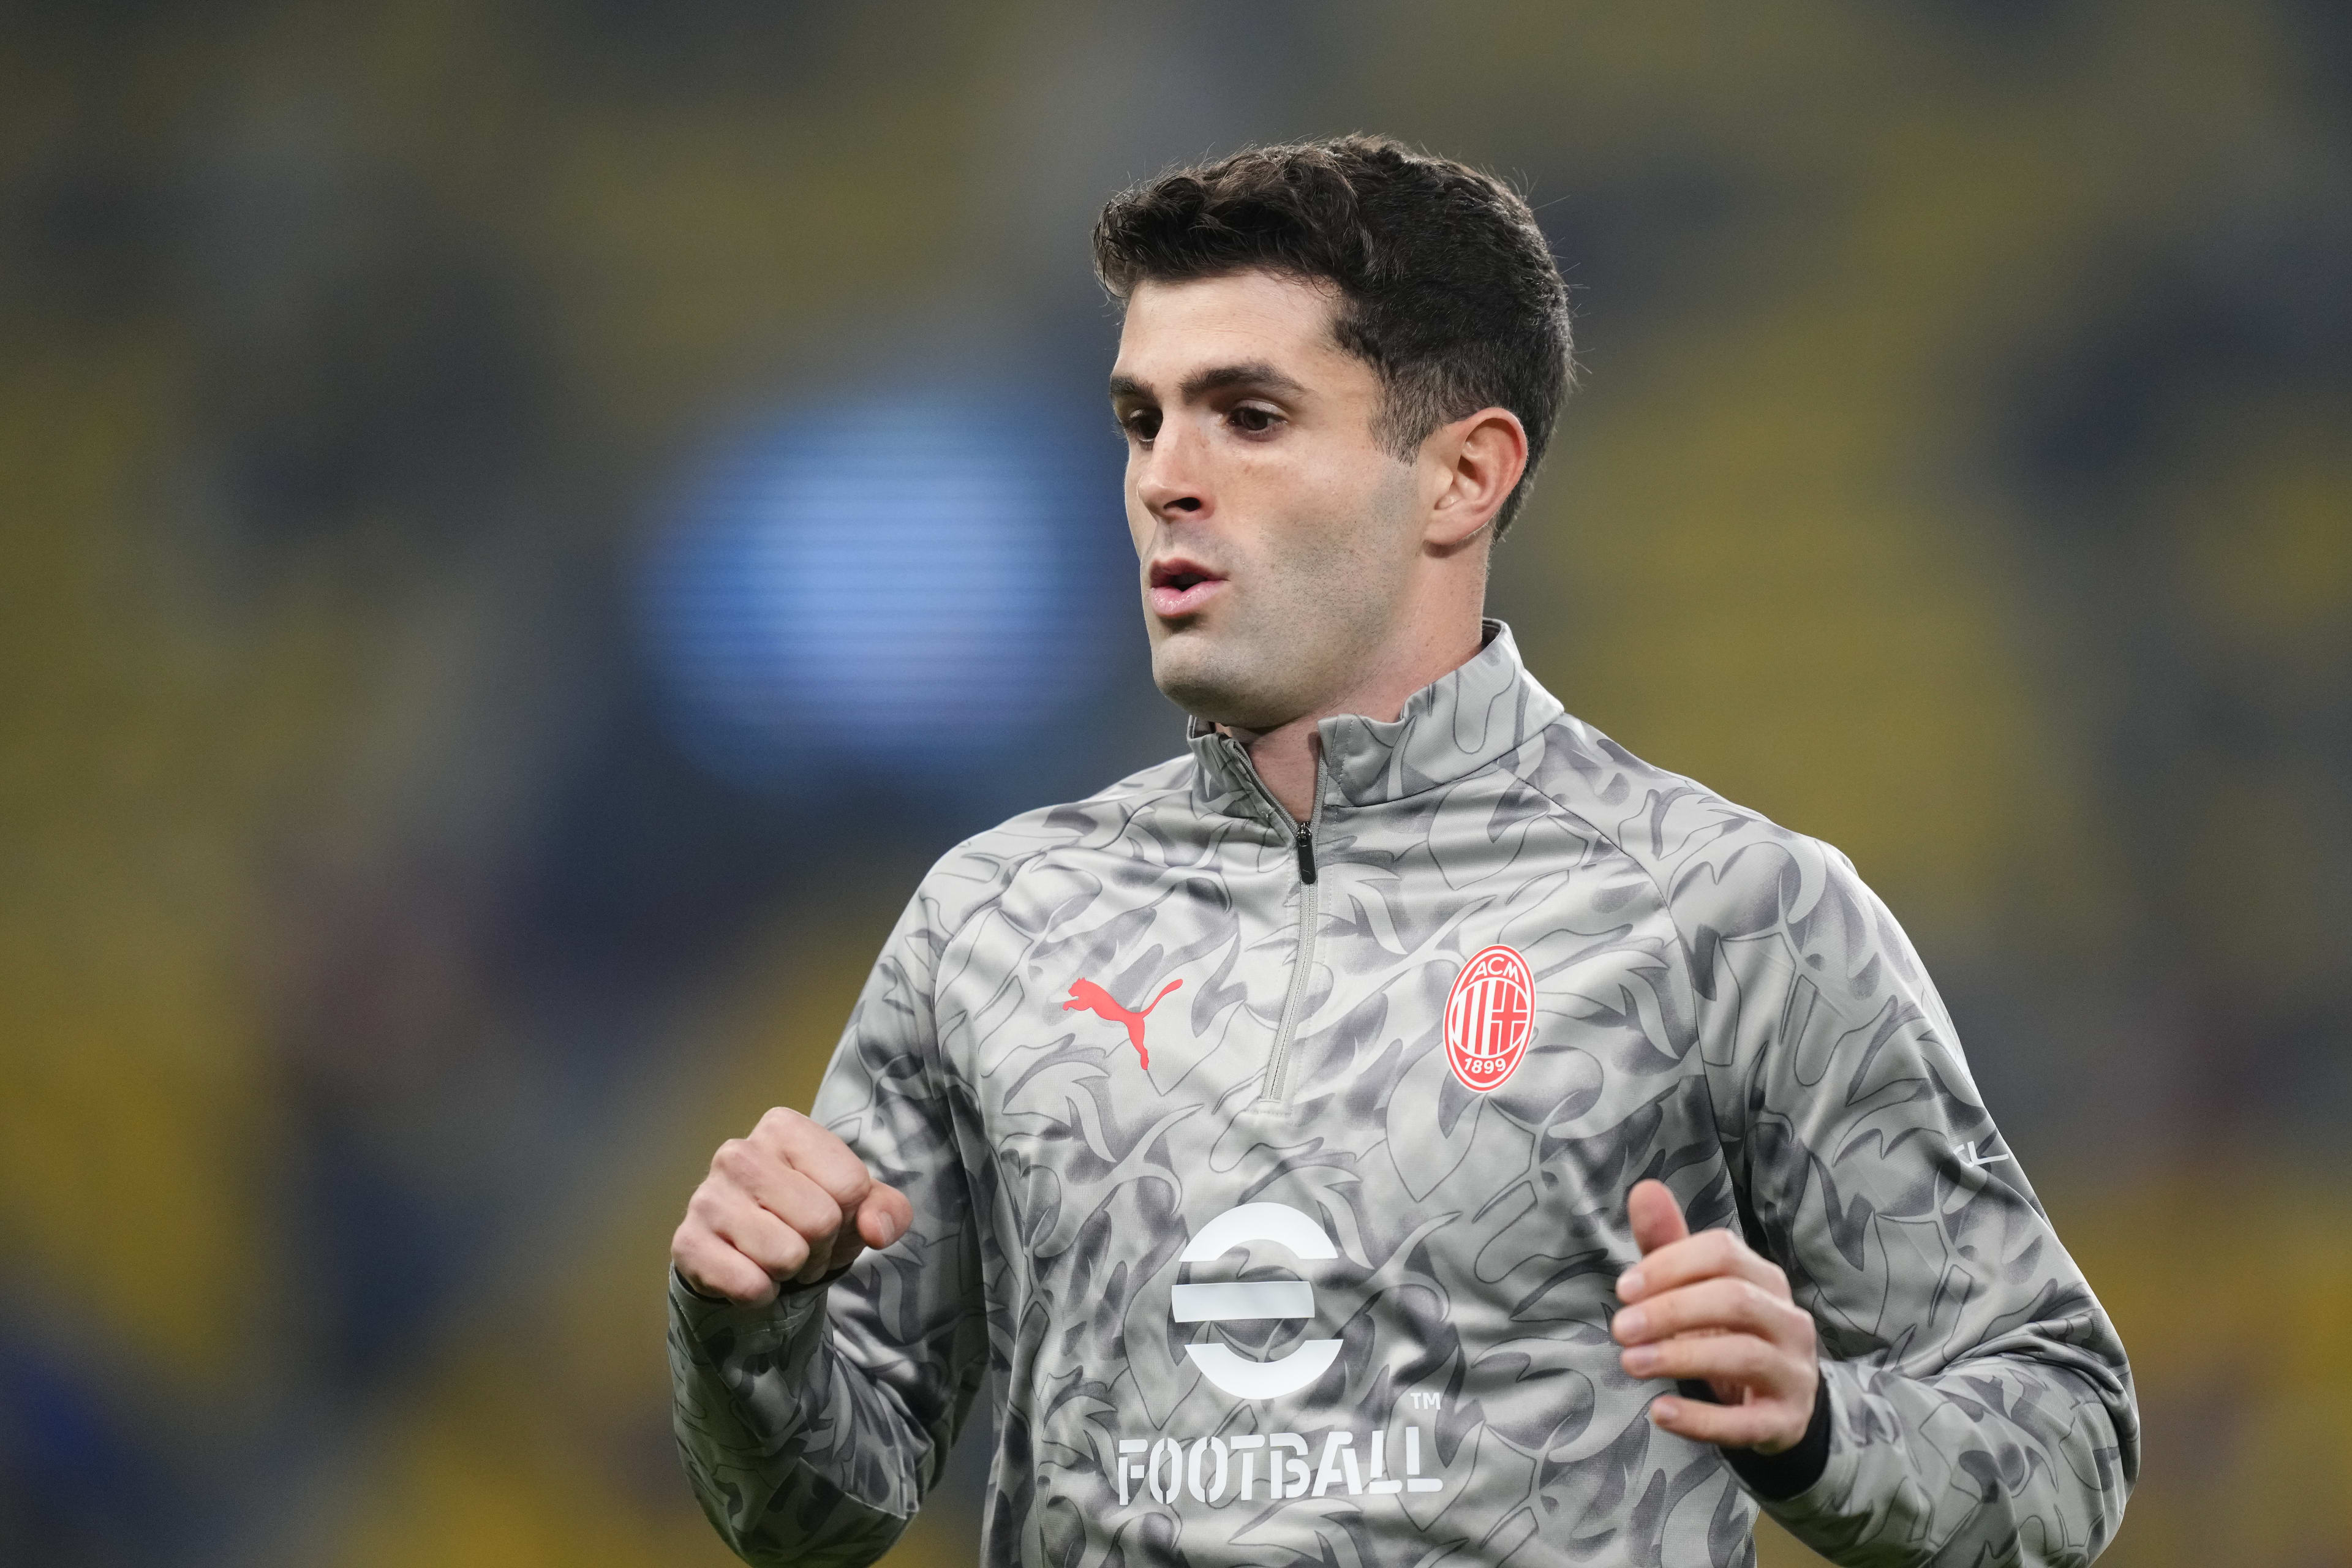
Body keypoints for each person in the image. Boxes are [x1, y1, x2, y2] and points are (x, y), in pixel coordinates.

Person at [666, 135, 2138, 1568]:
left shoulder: (1728, 911)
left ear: (1462, 476)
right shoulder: (995, 917)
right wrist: (749, 1329)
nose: (1165, 479)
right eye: (1141, 419)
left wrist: (1826, 1429)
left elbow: (2062, 1433)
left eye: (1248, 415)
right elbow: (815, 1514)